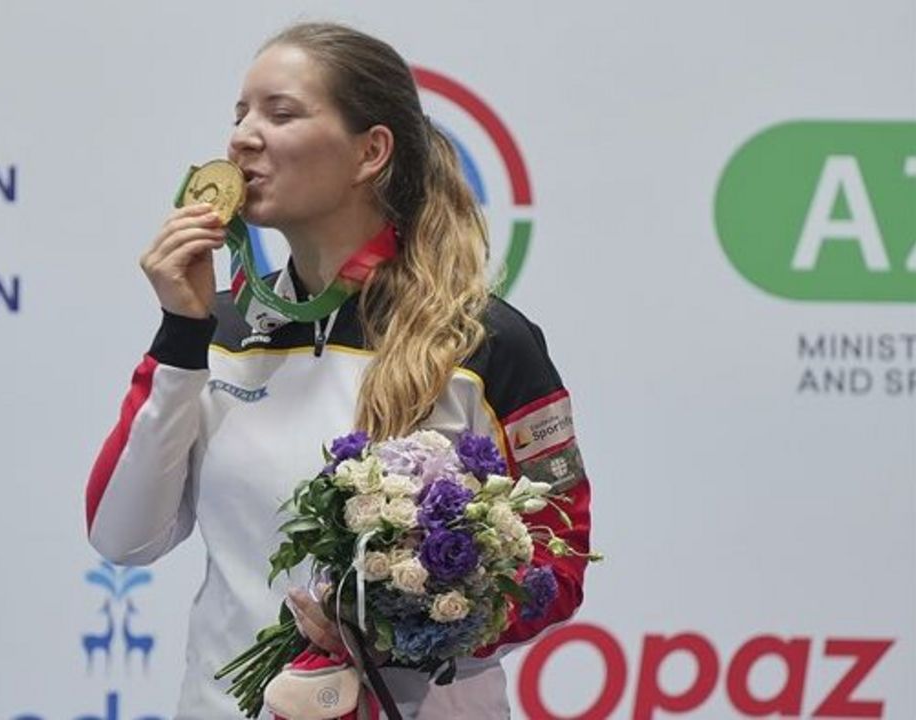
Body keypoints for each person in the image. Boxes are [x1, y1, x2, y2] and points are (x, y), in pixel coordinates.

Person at [85, 22, 592, 720]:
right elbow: (123, 537)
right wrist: (181, 336)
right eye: (240, 115)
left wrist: (410, 630)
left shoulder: (486, 341)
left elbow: (557, 571)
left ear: (371, 152)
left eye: (281, 113)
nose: (243, 138)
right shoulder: (216, 330)